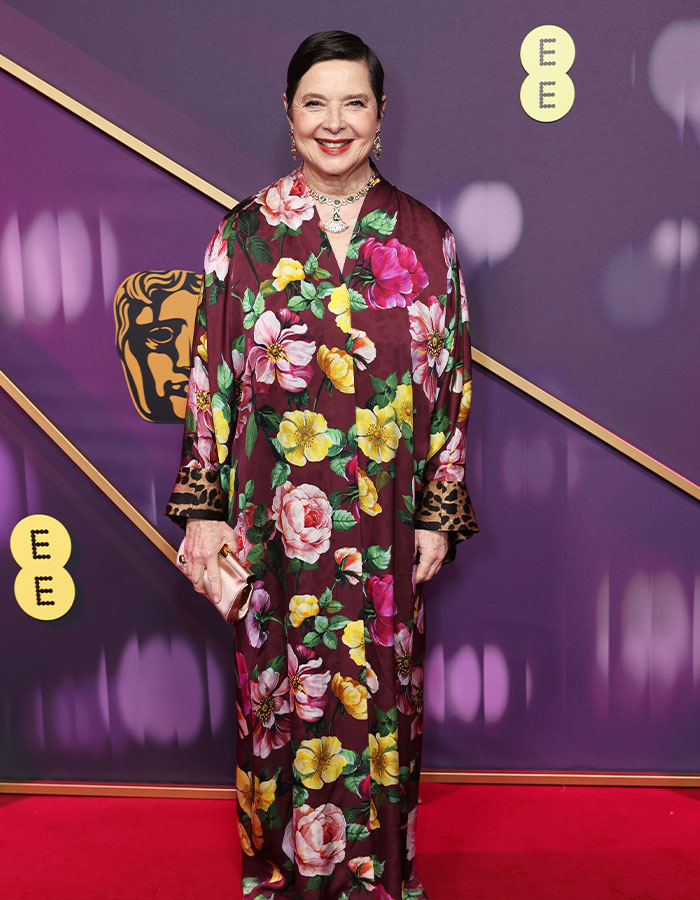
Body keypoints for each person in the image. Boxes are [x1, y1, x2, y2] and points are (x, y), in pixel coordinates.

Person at [167, 30, 478, 900]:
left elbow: (450, 387)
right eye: (315, 103)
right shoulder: (244, 235)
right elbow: (210, 383)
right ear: (288, 114)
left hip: (382, 532)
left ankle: (381, 882)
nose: (333, 123)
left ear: (381, 116)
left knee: (382, 706)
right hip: (272, 530)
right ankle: (275, 881)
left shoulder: (427, 240)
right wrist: (204, 508)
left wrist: (437, 515)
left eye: (354, 103)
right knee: (278, 704)